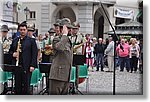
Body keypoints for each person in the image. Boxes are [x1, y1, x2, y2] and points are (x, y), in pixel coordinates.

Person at [9, 22, 38, 94]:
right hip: (17, 66)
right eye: (21, 30)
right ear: (19, 30)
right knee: (17, 87)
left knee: (26, 87)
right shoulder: (15, 40)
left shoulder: (31, 41)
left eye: (24, 30)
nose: (22, 31)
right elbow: (10, 51)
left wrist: (32, 65)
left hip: (27, 67)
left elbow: (34, 54)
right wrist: (13, 54)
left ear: (26, 30)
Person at [49, 18, 73, 95]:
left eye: (70, 28)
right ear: (62, 29)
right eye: (68, 28)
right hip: (57, 75)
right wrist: (64, 35)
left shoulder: (67, 40)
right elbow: (59, 47)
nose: (70, 30)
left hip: (66, 75)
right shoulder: (57, 39)